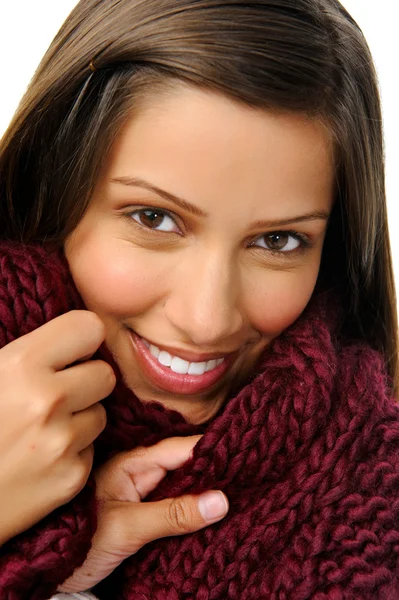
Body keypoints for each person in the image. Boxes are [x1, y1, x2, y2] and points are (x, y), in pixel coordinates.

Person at [0, 0, 398, 598]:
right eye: (154, 218)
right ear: (51, 188)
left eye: (278, 240)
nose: (207, 320)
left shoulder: (373, 498)